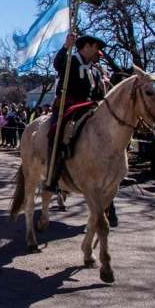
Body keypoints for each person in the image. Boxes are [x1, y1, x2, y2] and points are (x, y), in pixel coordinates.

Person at [50, 33, 117, 225]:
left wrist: (104, 90)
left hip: (90, 108)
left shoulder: (95, 70)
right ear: (85, 47)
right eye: (95, 47)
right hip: (70, 106)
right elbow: (58, 65)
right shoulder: (70, 60)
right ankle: (53, 173)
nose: (97, 51)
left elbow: (97, 94)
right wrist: (65, 47)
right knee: (58, 131)